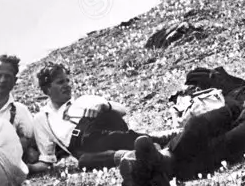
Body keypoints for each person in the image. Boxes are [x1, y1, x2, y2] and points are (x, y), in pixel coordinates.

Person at [29, 61, 170, 172]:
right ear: (47, 89)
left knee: (106, 137)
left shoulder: (83, 100)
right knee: (84, 161)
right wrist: (27, 169)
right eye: (60, 82)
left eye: (67, 81)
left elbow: (122, 110)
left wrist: (104, 105)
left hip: (104, 135)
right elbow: (46, 161)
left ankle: (155, 142)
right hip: (83, 148)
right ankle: (142, 150)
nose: (67, 85)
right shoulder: (42, 118)